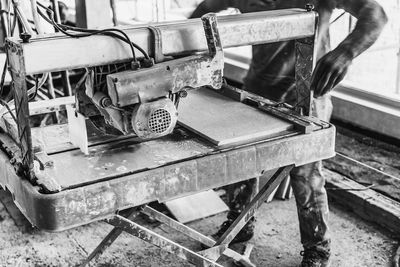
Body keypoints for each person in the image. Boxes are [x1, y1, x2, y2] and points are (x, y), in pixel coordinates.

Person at [190, 1, 387, 266]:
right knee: (242, 164)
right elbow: (205, 7)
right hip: (257, 92)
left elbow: (375, 14)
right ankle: (239, 223)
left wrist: (346, 51)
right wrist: (184, 48)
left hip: (307, 97)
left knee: (306, 173)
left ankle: (318, 247)